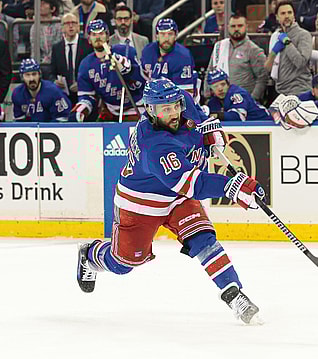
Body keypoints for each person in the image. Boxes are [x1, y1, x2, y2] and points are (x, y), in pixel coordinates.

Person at [76, 77, 264, 325]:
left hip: (177, 198)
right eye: (166, 109)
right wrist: (231, 186)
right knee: (124, 264)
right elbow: (195, 185)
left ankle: (234, 296)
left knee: (203, 239)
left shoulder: (182, 101)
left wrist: (211, 132)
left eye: (175, 105)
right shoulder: (154, 146)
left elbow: (201, 121)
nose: (174, 112)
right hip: (140, 204)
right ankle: (90, 254)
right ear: (151, 111)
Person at [71, 19, 145, 122]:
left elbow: (142, 83)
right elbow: (87, 96)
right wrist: (82, 110)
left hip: (134, 107)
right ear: (89, 39)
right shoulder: (86, 64)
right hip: (110, 110)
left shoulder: (126, 52)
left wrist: (129, 71)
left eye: (101, 33)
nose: (98, 37)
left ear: (107, 36)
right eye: (93, 34)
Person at [205, 15, 268, 103]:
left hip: (244, 102)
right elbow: (210, 71)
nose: (236, 29)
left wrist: (252, 100)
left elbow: (262, 78)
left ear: (246, 27)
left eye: (240, 26)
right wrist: (207, 96)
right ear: (228, 28)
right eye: (233, 26)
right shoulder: (220, 46)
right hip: (219, 102)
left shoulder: (254, 50)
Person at [264, 0, 312, 96]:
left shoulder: (304, 35)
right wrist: (273, 53)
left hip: (300, 90)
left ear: (294, 15)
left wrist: (287, 43)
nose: (287, 16)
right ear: (277, 17)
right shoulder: (276, 36)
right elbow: (267, 68)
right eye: (283, 13)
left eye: (289, 13)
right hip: (280, 91)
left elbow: (301, 62)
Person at [141, 18, 196, 96]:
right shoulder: (147, 51)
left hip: (175, 99)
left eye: (170, 34)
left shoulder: (183, 56)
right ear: (157, 36)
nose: (166, 38)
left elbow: (185, 93)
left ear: (176, 36)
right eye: (162, 34)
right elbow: (143, 78)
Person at [50, 12, 94, 105]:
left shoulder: (88, 46)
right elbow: (51, 72)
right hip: (63, 96)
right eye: (67, 23)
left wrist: (82, 84)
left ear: (78, 26)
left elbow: (93, 70)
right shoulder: (56, 48)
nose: (71, 26)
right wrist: (55, 81)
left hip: (85, 95)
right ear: (62, 27)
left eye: (74, 23)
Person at [205, 69, 272, 121]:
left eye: (223, 84)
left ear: (228, 84)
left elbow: (238, 117)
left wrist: (217, 115)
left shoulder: (238, 93)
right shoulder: (213, 102)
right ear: (211, 90)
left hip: (266, 124)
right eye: (215, 86)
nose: (220, 89)